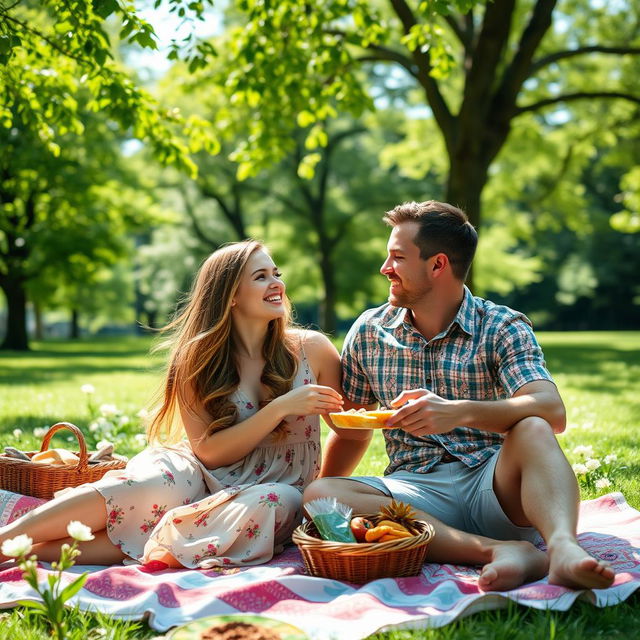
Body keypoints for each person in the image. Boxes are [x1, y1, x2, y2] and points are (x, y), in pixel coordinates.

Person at [305, 200, 616, 592]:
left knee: (534, 427)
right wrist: (318, 506)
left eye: (398, 257)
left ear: (438, 265)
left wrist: (458, 413)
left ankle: (563, 550)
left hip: (497, 486)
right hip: (416, 495)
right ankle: (501, 552)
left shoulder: (502, 325)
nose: (385, 268)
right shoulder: (369, 332)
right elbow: (351, 431)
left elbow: (552, 410)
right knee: (319, 492)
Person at [0, 240, 368, 568]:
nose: (277, 284)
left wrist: (316, 493)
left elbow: (351, 431)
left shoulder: (311, 349)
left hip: (277, 484)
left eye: (276, 273)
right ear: (230, 295)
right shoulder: (197, 357)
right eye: (260, 276)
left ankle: (25, 554)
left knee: (272, 503)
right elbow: (208, 454)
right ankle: (7, 539)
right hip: (197, 465)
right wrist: (280, 408)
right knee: (147, 485)